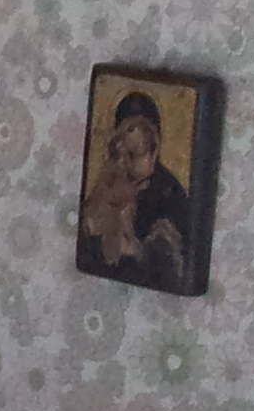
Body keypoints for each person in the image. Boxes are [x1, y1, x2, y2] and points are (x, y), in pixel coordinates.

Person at [78, 90, 194, 292]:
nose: (124, 136)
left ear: (152, 137)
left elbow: (170, 268)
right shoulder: (109, 181)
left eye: (132, 129)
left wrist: (136, 250)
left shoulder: (169, 191)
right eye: (123, 130)